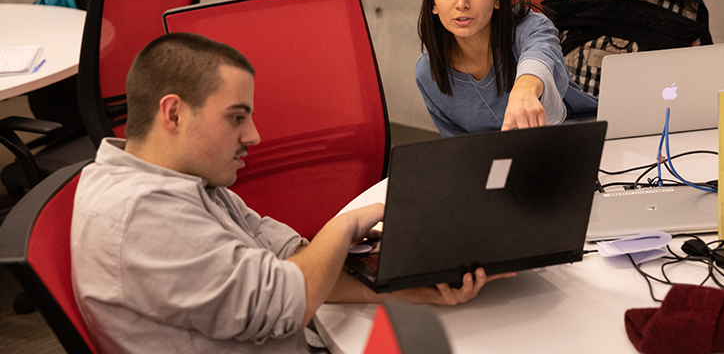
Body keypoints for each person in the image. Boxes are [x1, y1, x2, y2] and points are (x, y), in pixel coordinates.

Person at [70, 33, 513, 353]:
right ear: (173, 113)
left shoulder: (180, 177)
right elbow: (285, 302)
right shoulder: (144, 214)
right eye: (236, 117)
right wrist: (345, 226)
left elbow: (286, 256)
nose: (255, 135)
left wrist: (413, 288)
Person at [415, 0, 598, 137]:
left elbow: (541, 55)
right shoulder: (428, 70)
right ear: (433, 3)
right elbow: (460, 148)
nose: (462, 3)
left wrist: (524, 90)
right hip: (495, 161)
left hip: (572, 139)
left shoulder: (529, 26)